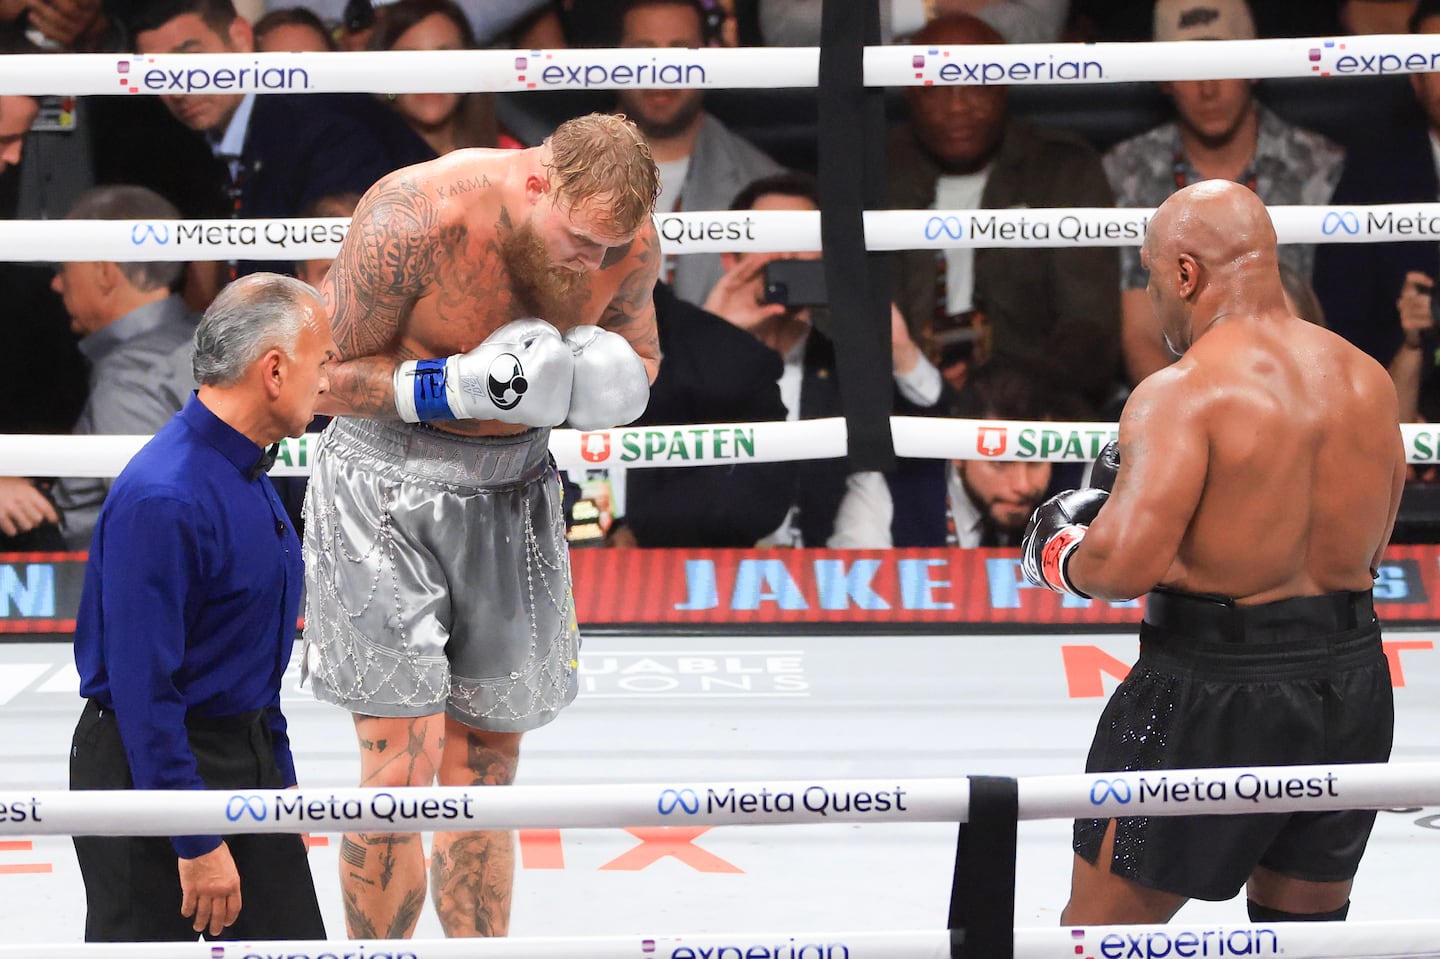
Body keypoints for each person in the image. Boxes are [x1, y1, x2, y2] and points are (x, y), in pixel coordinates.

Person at [301, 112, 660, 939]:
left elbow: (640, 355)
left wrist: (610, 389)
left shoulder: (629, 242)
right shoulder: (416, 214)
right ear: (535, 179)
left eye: (611, 246)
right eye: (579, 237)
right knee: (401, 765)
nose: (592, 262)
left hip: (515, 490)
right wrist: (453, 387)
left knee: (487, 771)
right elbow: (316, 377)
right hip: (383, 485)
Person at [1021, 180, 1404, 924]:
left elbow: (1123, 567)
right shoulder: (1368, 378)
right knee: (1303, 939)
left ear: (1187, 272)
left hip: (1209, 688)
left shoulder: (1183, 392)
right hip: (1351, 680)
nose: (1157, 294)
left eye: (1154, 274)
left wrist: (1061, 551)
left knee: (1098, 936)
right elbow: (1375, 542)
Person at [69, 272, 335, 942]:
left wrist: (282, 788)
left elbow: (252, 662)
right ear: (274, 370)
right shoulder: (167, 495)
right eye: (322, 361)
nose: (328, 379)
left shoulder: (247, 473)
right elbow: (144, 690)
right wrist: (193, 836)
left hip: (241, 757)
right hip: (148, 768)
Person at [888, 12, 1120, 416]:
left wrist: (1011, 388)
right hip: (895, 406)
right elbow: (841, 318)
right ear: (909, 91)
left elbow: (1091, 329)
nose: (957, 105)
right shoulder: (873, 173)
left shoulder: (1062, 167)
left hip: (1038, 408)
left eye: (976, 82)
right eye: (936, 87)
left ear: (1005, 85)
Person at [1104, 0, 1343, 386]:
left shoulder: (1319, 164)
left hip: (1300, 390)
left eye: (1222, 63)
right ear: (1164, 79)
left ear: (1253, 69)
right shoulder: (1127, 170)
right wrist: (1190, 416)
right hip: (1176, 398)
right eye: (1188, 68)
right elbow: (1140, 332)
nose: (1207, 88)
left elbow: (1338, 313)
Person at [614, 0, 782, 308]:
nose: (661, 70)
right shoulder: (551, 172)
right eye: (643, 52)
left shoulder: (764, 184)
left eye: (680, 52)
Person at [830, 360, 1064, 548]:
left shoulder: (1075, 499)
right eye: (1001, 461)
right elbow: (852, 600)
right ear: (957, 451)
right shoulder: (884, 494)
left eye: (1036, 461)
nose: (1022, 485)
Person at [366, 0, 520, 156]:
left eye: (444, 58)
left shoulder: (509, 157)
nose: (429, 76)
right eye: (411, 60)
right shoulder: (357, 161)